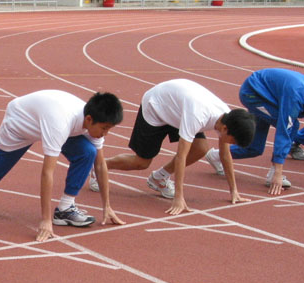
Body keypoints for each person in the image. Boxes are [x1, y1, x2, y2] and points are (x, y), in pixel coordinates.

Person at [0, 90, 124, 240]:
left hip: (47, 121)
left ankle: (65, 208)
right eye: (104, 128)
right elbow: (47, 172)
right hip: (21, 125)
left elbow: (100, 165)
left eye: (109, 129)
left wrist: (107, 206)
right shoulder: (61, 123)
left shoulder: (93, 121)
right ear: (89, 119)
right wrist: (45, 220)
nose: (106, 134)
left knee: (88, 152)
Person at [106, 79, 256, 215]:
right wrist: (179, 197)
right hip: (157, 106)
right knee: (141, 162)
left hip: (178, 109)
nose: (232, 144)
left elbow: (225, 155)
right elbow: (181, 156)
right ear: (224, 129)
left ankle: (159, 177)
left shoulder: (228, 118)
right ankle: (101, 166)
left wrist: (234, 191)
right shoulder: (198, 116)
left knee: (201, 148)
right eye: (233, 141)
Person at [205, 69, 304, 194]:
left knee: (255, 148)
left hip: (272, 99)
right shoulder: (296, 96)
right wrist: (278, 172)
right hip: (254, 94)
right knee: (292, 126)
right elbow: (285, 130)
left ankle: (215, 156)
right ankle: (273, 174)